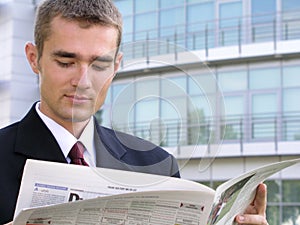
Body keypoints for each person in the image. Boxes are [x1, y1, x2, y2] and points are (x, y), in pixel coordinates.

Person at [0, 0, 268, 225]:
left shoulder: (157, 167)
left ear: (116, 65)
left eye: (99, 64)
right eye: (66, 62)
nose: (83, 80)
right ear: (34, 58)